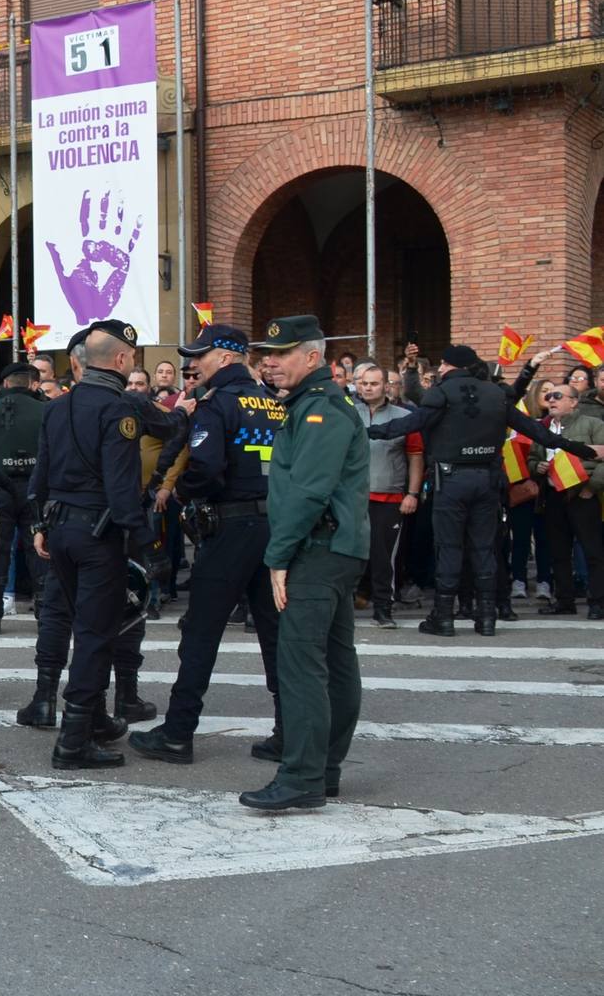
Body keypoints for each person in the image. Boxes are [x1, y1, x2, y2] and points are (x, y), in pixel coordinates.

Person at [129, 326, 288, 767]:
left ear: (228, 356)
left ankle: (178, 732)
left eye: (202, 354)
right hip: (273, 525)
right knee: (274, 633)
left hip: (230, 527)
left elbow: (207, 469)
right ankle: (288, 731)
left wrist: (183, 493)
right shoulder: (274, 404)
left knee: (201, 631)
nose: (194, 363)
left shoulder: (217, 404)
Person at [366, 344, 594, 636]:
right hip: (488, 479)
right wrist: (573, 446)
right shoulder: (495, 393)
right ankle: (486, 618)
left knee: (449, 547)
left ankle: (444, 616)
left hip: (451, 479)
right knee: (485, 548)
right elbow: (534, 430)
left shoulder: (442, 392)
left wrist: (369, 431)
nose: (442, 368)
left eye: (444, 364)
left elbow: (411, 424)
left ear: (449, 366)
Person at [240, 316, 371, 810]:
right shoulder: (317, 405)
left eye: (282, 352)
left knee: (301, 665)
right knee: (335, 662)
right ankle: (322, 770)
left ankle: (301, 777)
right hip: (334, 548)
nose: (269, 361)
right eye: (267, 353)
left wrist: (278, 556)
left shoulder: (319, 410)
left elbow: (309, 491)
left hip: (316, 550)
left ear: (312, 357)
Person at [25, 321, 156, 768]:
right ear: (121, 361)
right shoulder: (118, 409)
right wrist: (142, 538)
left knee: (80, 620)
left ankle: (95, 718)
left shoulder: (56, 407)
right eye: (132, 358)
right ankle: (74, 740)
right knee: (96, 634)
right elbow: (122, 490)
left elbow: (39, 476)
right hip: (98, 535)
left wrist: (39, 523)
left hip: (59, 529)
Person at [352, 362, 423, 628]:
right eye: (363, 383)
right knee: (349, 555)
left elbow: (416, 457)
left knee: (384, 559)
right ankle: (345, 607)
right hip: (353, 497)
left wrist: (412, 493)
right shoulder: (347, 413)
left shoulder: (404, 416)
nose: (368, 387)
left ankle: (383, 609)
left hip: (390, 498)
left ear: (386, 386)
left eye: (374, 383)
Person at [0, 362, 45, 636]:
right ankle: (45, 614)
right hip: (34, 487)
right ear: (32, 384)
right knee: (39, 551)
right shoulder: (46, 410)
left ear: (6, 384)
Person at [531, 380, 604, 617]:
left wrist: (592, 487)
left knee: (592, 551)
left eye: (557, 396)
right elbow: (532, 458)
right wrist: (537, 466)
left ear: (573, 402)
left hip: (582, 494)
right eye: (550, 396)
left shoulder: (593, 424)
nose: (551, 400)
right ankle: (564, 601)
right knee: (558, 552)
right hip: (553, 496)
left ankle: (597, 603)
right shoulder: (542, 428)